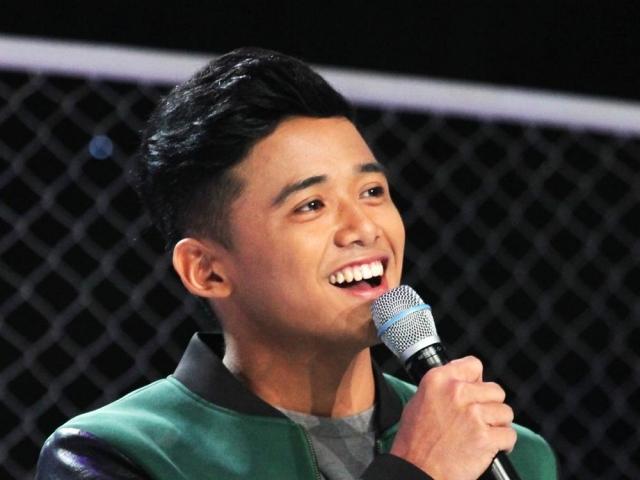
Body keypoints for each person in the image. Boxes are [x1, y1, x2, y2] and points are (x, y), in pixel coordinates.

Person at [36, 47, 557, 480]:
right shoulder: (117, 455)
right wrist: (416, 471)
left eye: (372, 191)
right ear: (207, 270)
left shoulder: (508, 454)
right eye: (311, 205)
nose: (364, 228)